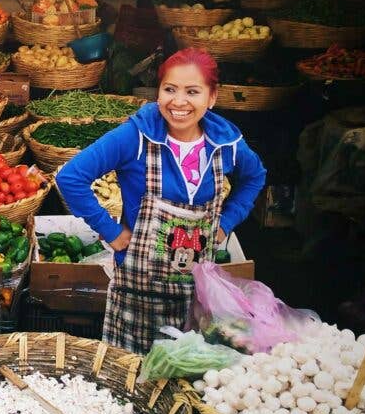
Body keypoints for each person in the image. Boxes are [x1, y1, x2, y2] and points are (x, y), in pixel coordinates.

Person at [55, 48, 266, 353]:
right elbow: (70, 177)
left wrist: (227, 222)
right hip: (138, 294)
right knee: (132, 378)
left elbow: (255, 177)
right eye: (170, 89)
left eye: (192, 92)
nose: (178, 102)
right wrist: (110, 231)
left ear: (212, 97)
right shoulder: (135, 137)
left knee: (187, 378)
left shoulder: (226, 144)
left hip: (196, 293)